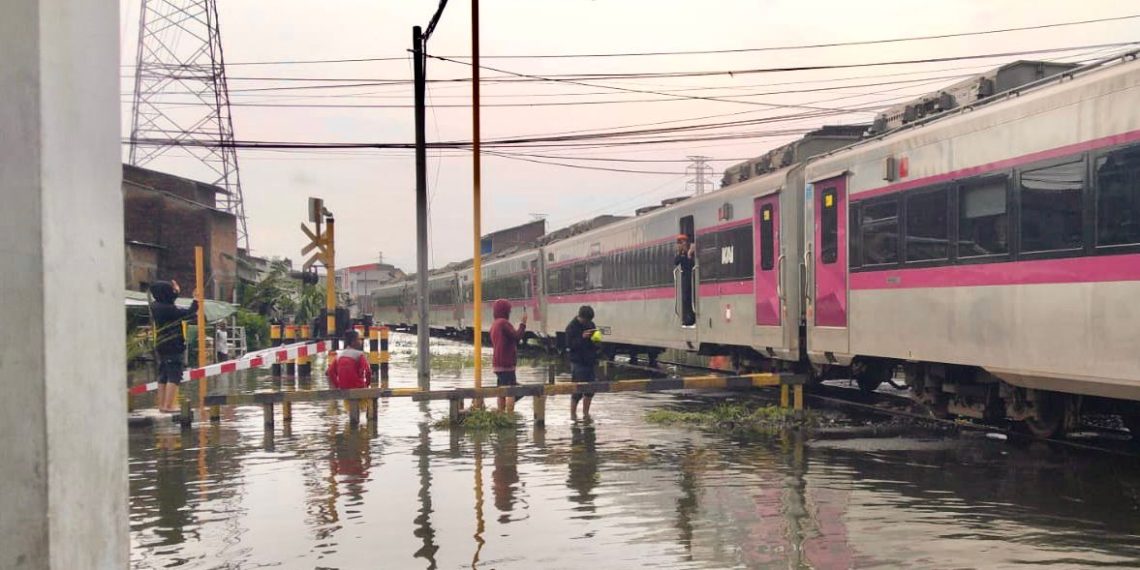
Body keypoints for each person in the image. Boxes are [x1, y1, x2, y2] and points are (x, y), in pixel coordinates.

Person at [149, 280, 198, 413]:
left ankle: (162, 405)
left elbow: (168, 300)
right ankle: (169, 406)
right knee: (174, 375)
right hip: (173, 345)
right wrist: (196, 300)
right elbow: (188, 313)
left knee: (163, 375)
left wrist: (176, 292)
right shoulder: (168, 309)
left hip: (161, 345)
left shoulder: (156, 306)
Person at [489, 298, 527, 413]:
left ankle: (501, 413)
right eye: (509, 311)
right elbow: (517, 336)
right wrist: (523, 323)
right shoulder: (503, 323)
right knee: (512, 391)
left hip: (497, 364)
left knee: (501, 390)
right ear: (505, 311)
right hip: (506, 364)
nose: (510, 313)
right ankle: (510, 415)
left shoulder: (495, 324)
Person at [566, 305, 599, 418]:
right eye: (586, 320)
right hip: (578, 362)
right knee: (577, 390)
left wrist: (596, 339)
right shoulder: (571, 327)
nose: (587, 323)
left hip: (590, 361)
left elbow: (596, 343)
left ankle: (586, 413)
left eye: (589, 321)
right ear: (581, 317)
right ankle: (573, 414)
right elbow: (570, 345)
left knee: (590, 390)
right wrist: (582, 337)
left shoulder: (591, 325)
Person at [674, 234, 696, 326]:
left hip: (691, 277)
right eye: (680, 242)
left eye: (682, 242)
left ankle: (691, 317)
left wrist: (689, 254)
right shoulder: (681, 253)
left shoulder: (691, 251)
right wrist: (680, 253)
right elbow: (676, 262)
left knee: (689, 297)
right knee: (685, 298)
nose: (681, 244)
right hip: (685, 278)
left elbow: (693, 264)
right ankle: (687, 317)